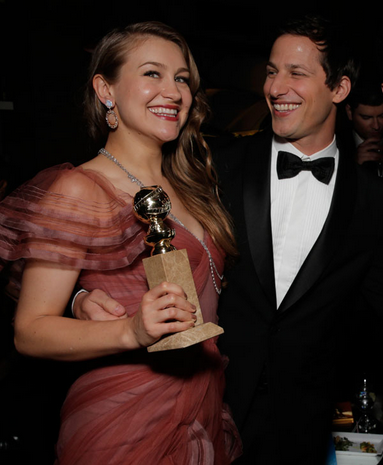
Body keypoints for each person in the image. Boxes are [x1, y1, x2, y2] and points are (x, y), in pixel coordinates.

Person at [75, 15, 383, 464]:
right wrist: (82, 294)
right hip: (204, 404)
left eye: (296, 73)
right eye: (272, 71)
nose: (276, 87)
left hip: (307, 423)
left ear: (339, 89)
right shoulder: (210, 166)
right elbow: (101, 225)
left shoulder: (373, 200)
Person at [0, 21, 241, 464]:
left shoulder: (192, 185)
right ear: (105, 89)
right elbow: (29, 332)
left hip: (204, 404)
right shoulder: (80, 188)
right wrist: (129, 330)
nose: (173, 91)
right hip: (125, 418)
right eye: (152, 73)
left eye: (182, 78)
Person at [344, 76, 383, 171]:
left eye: (382, 116)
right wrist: (354, 167)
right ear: (349, 112)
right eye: (366, 118)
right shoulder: (339, 145)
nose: (376, 126)